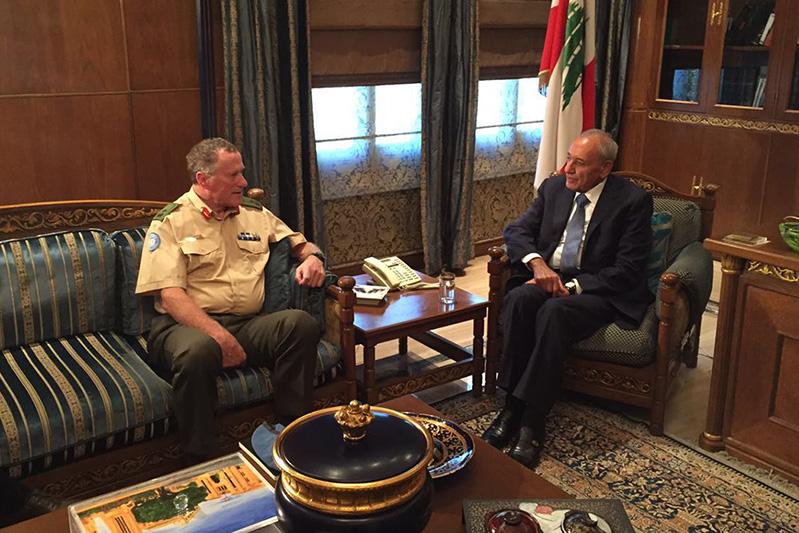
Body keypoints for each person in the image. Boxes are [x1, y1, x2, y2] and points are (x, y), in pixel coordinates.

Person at [135, 138, 326, 461]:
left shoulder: (254, 213)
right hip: (185, 327)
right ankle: (200, 456)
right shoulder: (171, 222)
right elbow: (171, 295)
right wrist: (219, 336)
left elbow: (299, 243)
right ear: (203, 179)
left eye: (242, 172)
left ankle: (290, 434)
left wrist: (314, 259)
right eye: (233, 175)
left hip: (247, 324)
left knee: (300, 325)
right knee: (199, 351)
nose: (244, 182)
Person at [483, 129, 653, 468]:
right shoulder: (554, 188)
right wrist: (538, 264)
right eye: (568, 159)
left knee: (555, 312)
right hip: (549, 275)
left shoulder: (632, 202)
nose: (567, 169)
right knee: (519, 300)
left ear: (604, 169)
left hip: (597, 290)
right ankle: (510, 404)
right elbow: (517, 230)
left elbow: (628, 269)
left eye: (579, 163)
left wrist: (572, 286)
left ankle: (531, 419)